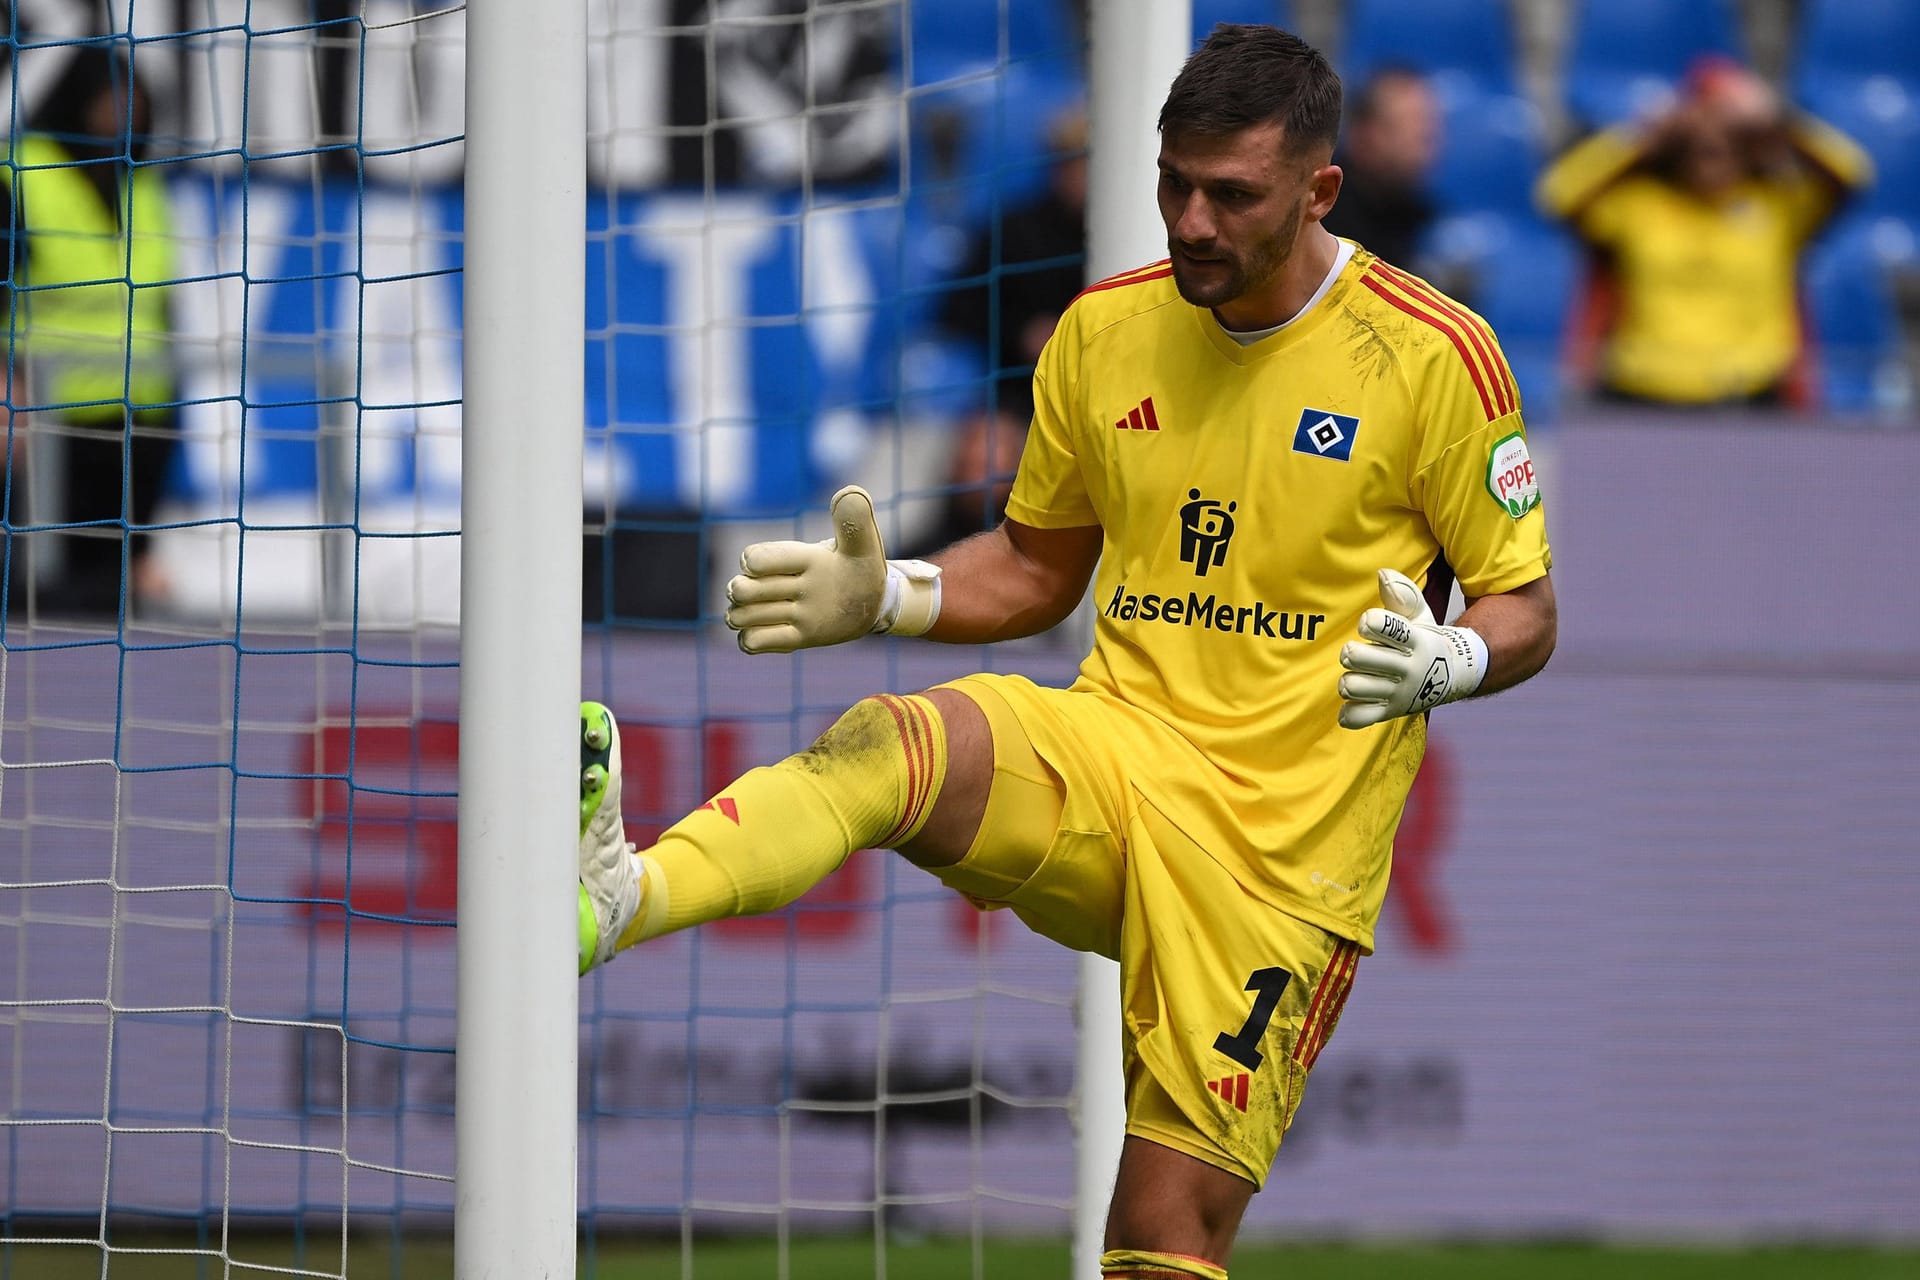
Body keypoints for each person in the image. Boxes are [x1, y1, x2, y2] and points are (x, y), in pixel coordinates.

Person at [577, 24, 1555, 1278]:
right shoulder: (1102, 332)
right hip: (1118, 756)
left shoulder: (1432, 356)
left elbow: (1524, 607)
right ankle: (629, 895)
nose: (1191, 220)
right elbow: (1040, 565)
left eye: (1231, 194)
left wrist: (1447, 663)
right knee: (893, 742)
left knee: (1159, 1235)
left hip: (1283, 864)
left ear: (1318, 190)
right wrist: (893, 593)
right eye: (1172, 182)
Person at [1536, 56, 1871, 408]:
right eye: (1699, 141)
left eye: (1727, 138)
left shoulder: (1777, 207)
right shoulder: (1640, 206)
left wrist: (1781, 119)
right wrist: (1644, 134)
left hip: (1751, 397)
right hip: (1644, 395)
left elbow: (1854, 174)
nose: (1712, 149)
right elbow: (1558, 194)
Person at [2, 42, 181, 617]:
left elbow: (161, 307)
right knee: (37, 597)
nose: (123, 115)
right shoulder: (24, 177)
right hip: (45, 428)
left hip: (135, 424)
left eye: (135, 101)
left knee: (109, 601)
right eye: (112, 100)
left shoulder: (142, 186)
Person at [910, 109, 1089, 557]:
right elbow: (956, 309)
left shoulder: (1141, 237)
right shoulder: (1015, 230)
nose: (1081, 175)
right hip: (1018, 393)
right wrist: (1022, 333)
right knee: (986, 456)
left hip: (1105, 394)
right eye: (1072, 162)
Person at [1319, 65, 1439, 270]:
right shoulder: (1321, 212)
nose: (1425, 141)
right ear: (1365, 133)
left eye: (1427, 125)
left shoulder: (1423, 215)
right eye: (1409, 123)